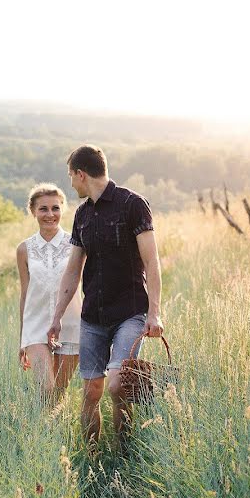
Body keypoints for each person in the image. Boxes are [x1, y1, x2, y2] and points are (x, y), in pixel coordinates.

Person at [48, 145, 164, 449]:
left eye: (71, 177)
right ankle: (92, 460)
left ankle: (123, 453)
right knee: (90, 392)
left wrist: (155, 312)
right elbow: (73, 270)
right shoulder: (83, 215)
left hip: (130, 312)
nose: (71, 184)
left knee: (116, 384)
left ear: (80, 174)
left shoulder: (133, 205)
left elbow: (152, 261)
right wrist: (57, 317)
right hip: (93, 318)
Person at [16, 183, 81, 405]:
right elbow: (25, 293)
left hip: (71, 325)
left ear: (63, 209)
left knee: (59, 394)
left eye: (55, 208)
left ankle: (57, 437)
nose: (50, 214)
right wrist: (22, 339)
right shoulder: (24, 249)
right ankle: (45, 434)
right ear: (33, 211)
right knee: (46, 389)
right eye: (43, 209)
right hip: (36, 326)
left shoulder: (77, 244)